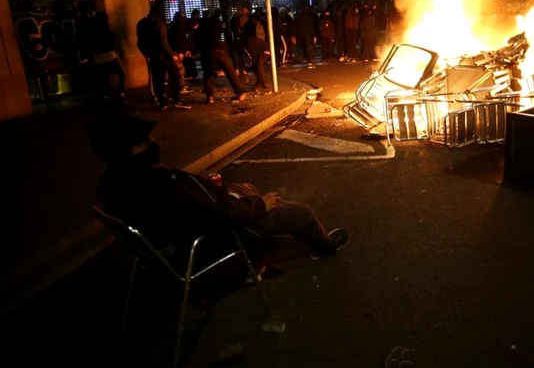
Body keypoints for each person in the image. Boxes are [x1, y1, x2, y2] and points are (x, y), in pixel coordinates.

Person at [88, 114, 349, 271]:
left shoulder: (114, 182)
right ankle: (323, 248)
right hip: (216, 237)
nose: (153, 142)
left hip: (183, 233)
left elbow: (200, 208)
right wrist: (260, 206)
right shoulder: (158, 186)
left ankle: (258, 247)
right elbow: (218, 217)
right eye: (144, 141)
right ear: (126, 152)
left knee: (244, 188)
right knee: (300, 212)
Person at [136, 5, 189, 110]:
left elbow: (139, 42)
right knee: (175, 75)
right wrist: (172, 55)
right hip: (163, 56)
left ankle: (162, 102)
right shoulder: (159, 24)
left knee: (158, 79)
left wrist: (146, 53)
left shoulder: (141, 23)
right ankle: (175, 98)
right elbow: (163, 41)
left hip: (152, 55)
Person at [199, 9, 247, 104]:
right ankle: (239, 93)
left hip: (209, 49)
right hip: (220, 49)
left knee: (208, 74)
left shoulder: (206, 24)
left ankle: (210, 96)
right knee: (230, 73)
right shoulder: (219, 23)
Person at [92, 11, 127, 103]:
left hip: (98, 58)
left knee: (104, 78)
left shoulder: (93, 29)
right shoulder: (105, 29)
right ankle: (120, 93)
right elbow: (111, 42)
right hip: (109, 56)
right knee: (121, 74)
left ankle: (105, 96)